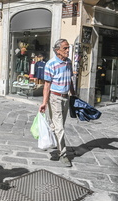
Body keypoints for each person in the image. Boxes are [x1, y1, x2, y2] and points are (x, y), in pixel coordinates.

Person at [39, 39, 75, 167]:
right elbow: (46, 85)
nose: (67, 50)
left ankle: (50, 137)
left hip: (66, 98)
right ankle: (63, 154)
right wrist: (44, 102)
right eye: (65, 48)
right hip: (55, 98)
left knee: (57, 125)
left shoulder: (69, 62)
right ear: (57, 50)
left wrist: (73, 94)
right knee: (60, 128)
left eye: (68, 48)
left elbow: (70, 79)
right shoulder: (51, 64)